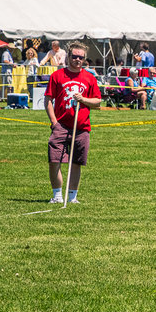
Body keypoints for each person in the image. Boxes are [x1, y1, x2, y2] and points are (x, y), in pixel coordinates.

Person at [45, 41, 102, 204]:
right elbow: (48, 99)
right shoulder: (57, 76)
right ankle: (57, 195)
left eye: (80, 57)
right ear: (68, 56)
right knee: (54, 160)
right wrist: (54, 121)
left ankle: (72, 197)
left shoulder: (89, 78)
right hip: (61, 125)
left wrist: (83, 99)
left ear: (84, 59)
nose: (77, 59)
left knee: (76, 162)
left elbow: (97, 101)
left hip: (81, 126)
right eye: (74, 56)